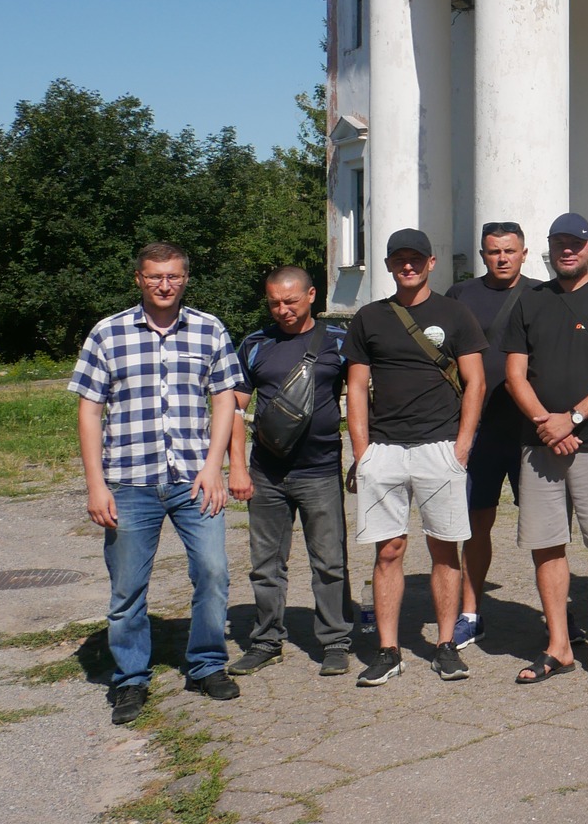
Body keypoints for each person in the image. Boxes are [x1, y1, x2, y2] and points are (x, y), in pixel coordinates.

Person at [69, 242, 245, 724]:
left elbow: (225, 400)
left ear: (185, 278)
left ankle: (207, 665)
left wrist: (215, 466)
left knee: (213, 572)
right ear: (139, 279)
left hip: (194, 479)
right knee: (128, 587)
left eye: (173, 276)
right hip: (129, 481)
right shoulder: (108, 333)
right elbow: (90, 411)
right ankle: (130, 678)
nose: (164, 285)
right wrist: (95, 485)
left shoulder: (209, 329)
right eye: (154, 277)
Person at [500, 213, 588, 685]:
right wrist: (547, 424)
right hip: (540, 444)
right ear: (549, 247)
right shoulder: (529, 300)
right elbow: (515, 375)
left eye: (576, 243)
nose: (567, 250)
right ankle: (558, 645)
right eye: (559, 242)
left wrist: (573, 418)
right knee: (546, 544)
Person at [346, 228, 488, 686]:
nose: (407, 265)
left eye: (416, 258)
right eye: (399, 259)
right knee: (388, 550)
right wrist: (362, 453)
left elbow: (476, 382)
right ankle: (388, 650)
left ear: (431, 263)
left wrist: (462, 446)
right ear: (389, 265)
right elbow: (356, 388)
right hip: (384, 449)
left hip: (439, 447)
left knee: (444, 548)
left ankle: (445, 645)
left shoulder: (455, 313)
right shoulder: (369, 317)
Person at [226, 266, 355, 678]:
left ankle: (335, 641)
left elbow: (363, 396)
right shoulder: (255, 344)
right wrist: (237, 467)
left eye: (291, 301)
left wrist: (364, 455)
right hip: (266, 472)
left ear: (311, 295)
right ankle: (266, 641)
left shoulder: (339, 341)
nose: (282, 310)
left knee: (329, 561)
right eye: (274, 303)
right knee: (266, 563)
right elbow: (233, 409)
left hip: (320, 470)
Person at [445, 220, 534, 650]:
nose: (502, 258)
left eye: (509, 251)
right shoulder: (461, 295)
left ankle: (556, 614)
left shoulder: (542, 294)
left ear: (524, 253)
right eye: (494, 251)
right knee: (476, 523)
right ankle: (470, 612)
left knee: (544, 528)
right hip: (479, 430)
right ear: (483, 255)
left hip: (528, 429)